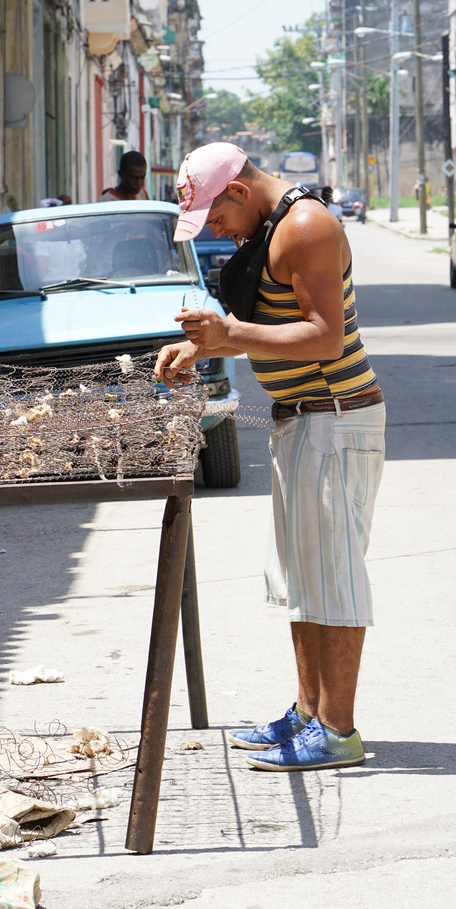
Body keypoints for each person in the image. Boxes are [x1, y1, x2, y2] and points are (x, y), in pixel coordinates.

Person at [154, 142, 384, 772]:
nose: (218, 231)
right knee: (301, 583)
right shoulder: (271, 226)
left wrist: (229, 336)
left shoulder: (306, 226)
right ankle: (308, 713)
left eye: (217, 216)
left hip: (335, 419)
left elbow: (323, 334)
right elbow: (263, 315)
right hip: (302, 423)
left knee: (331, 579)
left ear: (239, 189)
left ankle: (338, 733)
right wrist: (200, 349)